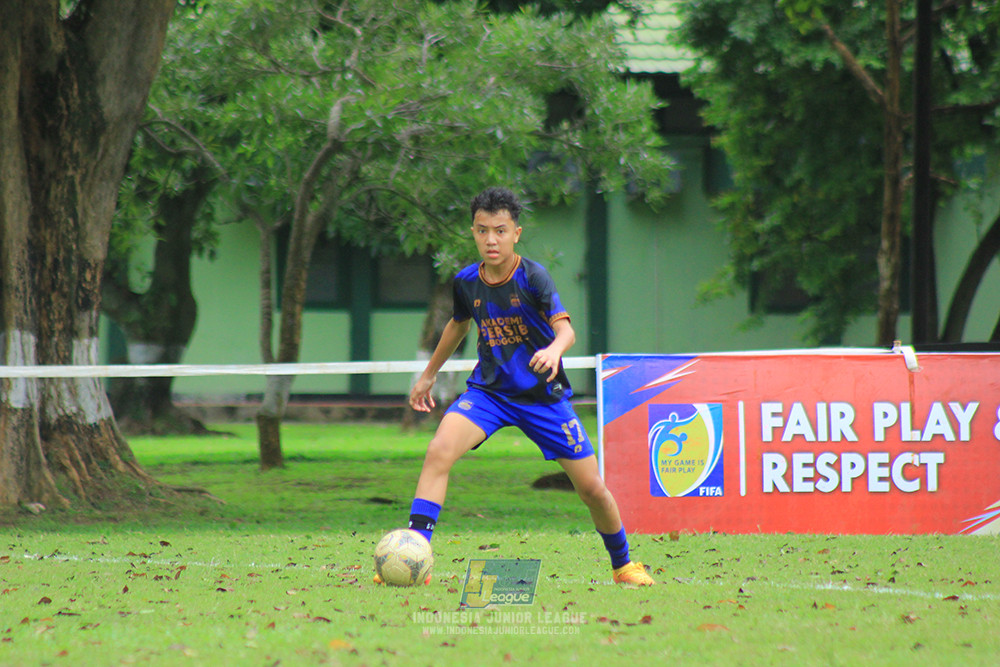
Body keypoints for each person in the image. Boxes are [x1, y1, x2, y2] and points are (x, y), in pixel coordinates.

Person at [376, 186, 654, 587]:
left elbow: (565, 329)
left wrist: (555, 350)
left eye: (501, 231)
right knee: (438, 451)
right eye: (483, 230)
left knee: (592, 488)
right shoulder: (466, 282)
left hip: (543, 398)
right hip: (489, 394)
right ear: (473, 232)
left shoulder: (533, 277)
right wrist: (429, 374)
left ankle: (624, 565)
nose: (492, 239)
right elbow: (458, 324)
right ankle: (415, 554)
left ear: (516, 234)